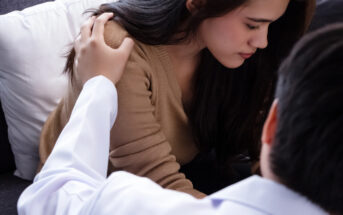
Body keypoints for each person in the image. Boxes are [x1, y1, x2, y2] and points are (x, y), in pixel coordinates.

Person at [18, 15, 343, 215]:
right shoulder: (131, 48)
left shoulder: (128, 202)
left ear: (271, 124)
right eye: (253, 24)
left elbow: (49, 196)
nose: (263, 41)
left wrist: (98, 84)